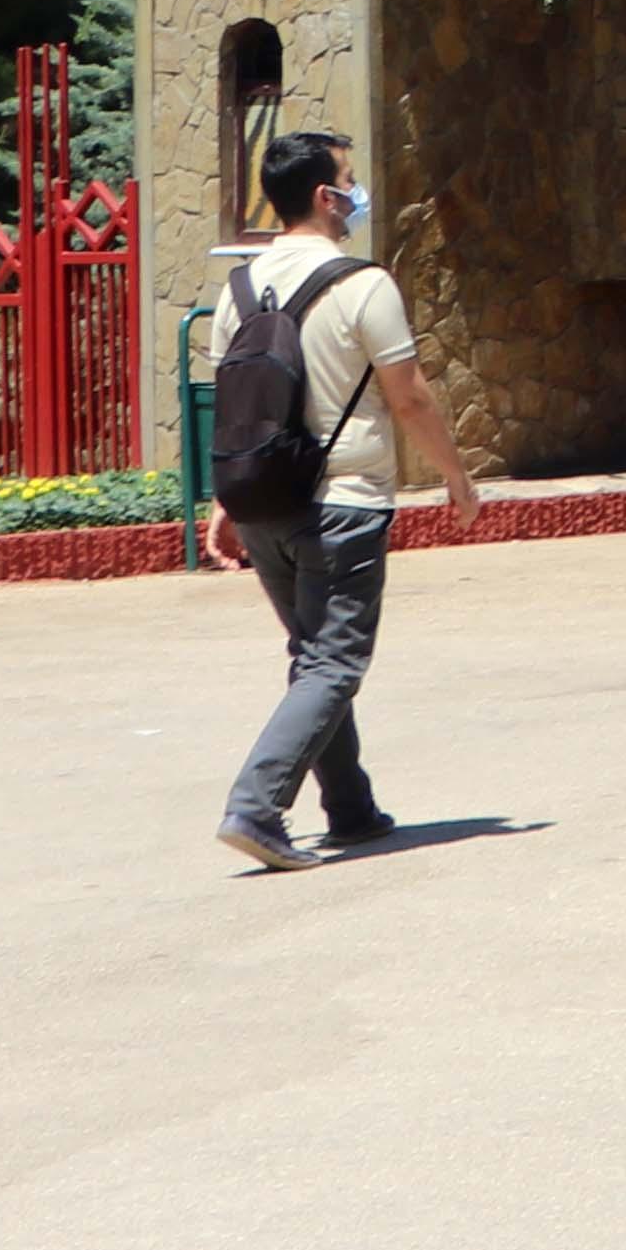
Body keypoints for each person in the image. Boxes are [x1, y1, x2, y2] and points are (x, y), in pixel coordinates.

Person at [209, 129, 477, 871]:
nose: (357, 194)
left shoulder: (237, 291)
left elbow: (232, 403)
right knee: (335, 662)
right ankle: (257, 808)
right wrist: (455, 473)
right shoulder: (363, 283)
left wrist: (221, 501)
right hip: (345, 501)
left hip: (263, 501)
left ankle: (351, 807)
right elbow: (410, 397)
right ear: (327, 198)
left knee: (313, 653)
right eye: (350, 182)